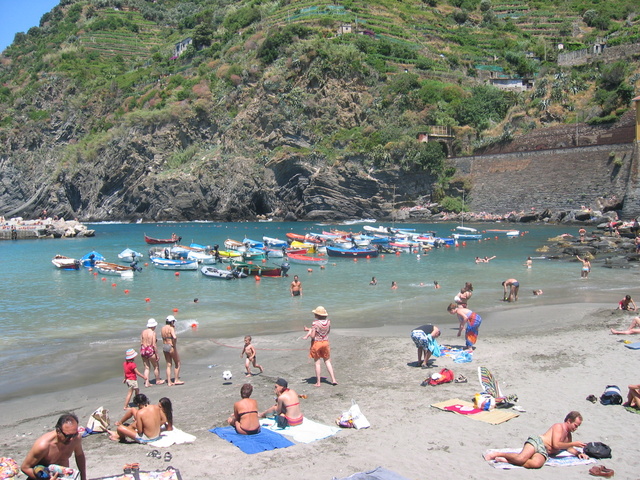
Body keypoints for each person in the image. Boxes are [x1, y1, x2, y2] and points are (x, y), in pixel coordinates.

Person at [484, 411, 589, 469]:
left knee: (536, 464)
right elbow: (556, 445)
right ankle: (498, 454)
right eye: (575, 425)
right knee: (521, 458)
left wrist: (578, 453)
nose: (576, 428)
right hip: (538, 442)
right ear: (569, 421)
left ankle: (508, 460)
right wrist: (574, 443)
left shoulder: (568, 436)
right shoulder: (559, 427)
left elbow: (569, 447)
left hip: (543, 451)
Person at [21, 413, 87, 480]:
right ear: (58, 431)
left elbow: (79, 455)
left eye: (74, 434)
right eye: (68, 436)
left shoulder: (76, 438)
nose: (71, 439)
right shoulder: (43, 446)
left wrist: (83, 477)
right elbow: (25, 468)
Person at [302, 306, 338, 386]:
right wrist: (309, 329)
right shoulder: (328, 322)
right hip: (325, 342)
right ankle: (334, 379)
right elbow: (327, 331)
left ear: (317, 315)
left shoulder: (315, 323)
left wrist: (309, 332)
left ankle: (318, 382)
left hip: (317, 343)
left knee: (317, 363)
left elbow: (313, 335)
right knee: (327, 361)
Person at [140, 318, 164, 387]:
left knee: (147, 367)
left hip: (143, 349)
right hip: (150, 349)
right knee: (156, 366)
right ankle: (157, 380)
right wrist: (157, 354)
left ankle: (146, 382)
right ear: (153, 326)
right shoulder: (153, 333)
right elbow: (154, 345)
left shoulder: (143, 332)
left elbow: (141, 342)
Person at [162, 315, 184, 386]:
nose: (174, 323)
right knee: (177, 363)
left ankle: (169, 381)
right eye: (173, 321)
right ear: (171, 322)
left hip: (164, 346)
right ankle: (176, 380)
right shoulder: (171, 328)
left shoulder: (163, 328)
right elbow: (174, 337)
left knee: (168, 364)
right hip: (170, 345)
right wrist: (174, 345)